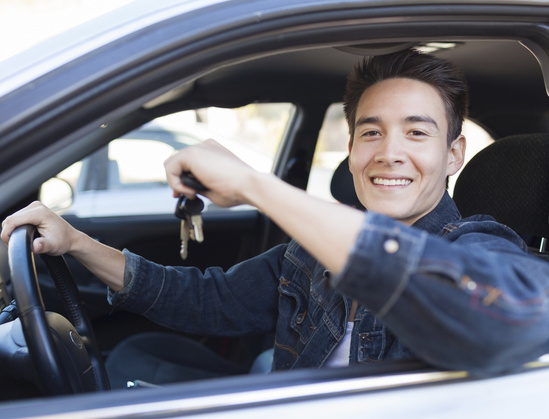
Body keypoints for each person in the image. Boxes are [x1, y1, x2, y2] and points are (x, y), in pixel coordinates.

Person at [3, 49, 549, 387]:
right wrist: (76, 242)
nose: (389, 152)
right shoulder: (310, 252)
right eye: (371, 131)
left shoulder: (483, 246)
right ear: (353, 149)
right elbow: (207, 300)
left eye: (417, 131)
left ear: (453, 155)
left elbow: (511, 319)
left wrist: (255, 186)